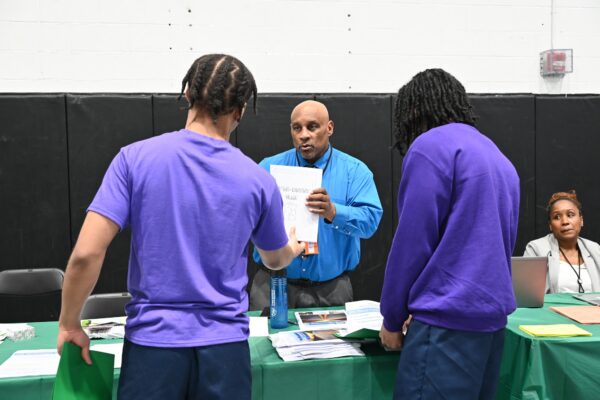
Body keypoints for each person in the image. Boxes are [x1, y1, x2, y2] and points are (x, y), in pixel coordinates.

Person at [56, 54, 304, 400]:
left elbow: (85, 253)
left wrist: (69, 324)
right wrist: (291, 247)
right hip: (225, 349)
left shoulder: (134, 159)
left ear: (187, 93)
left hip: (153, 348)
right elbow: (275, 260)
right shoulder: (258, 180)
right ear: (242, 110)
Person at [379, 68, 520, 399]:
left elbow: (413, 243)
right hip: (492, 325)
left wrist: (392, 317)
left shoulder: (430, 147)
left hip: (444, 325)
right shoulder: (498, 157)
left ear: (412, 111)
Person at [249, 100, 383, 310]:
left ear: (329, 128)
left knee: (334, 344)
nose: (304, 135)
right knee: (264, 344)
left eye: (312, 127)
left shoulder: (355, 172)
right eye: (297, 128)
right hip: (272, 285)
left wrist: (333, 212)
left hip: (331, 289)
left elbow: (370, 222)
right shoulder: (268, 168)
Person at [524, 190, 600, 293]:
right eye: (557, 217)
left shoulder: (595, 249)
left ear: (581, 220)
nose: (565, 222)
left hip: (591, 309)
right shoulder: (536, 249)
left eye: (570, 215)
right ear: (550, 225)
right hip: (551, 309)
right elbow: (528, 293)